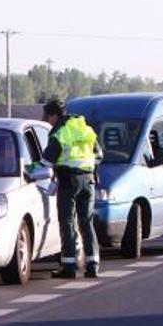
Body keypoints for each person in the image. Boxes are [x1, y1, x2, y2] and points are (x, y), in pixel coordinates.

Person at [40, 99, 103, 279]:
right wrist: (90, 168)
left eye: (47, 116)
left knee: (67, 222)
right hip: (88, 180)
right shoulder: (85, 128)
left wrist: (30, 170)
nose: (47, 120)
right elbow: (99, 154)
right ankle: (93, 265)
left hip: (69, 181)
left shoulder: (60, 132)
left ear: (53, 115)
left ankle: (69, 266)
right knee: (86, 222)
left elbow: (46, 162)